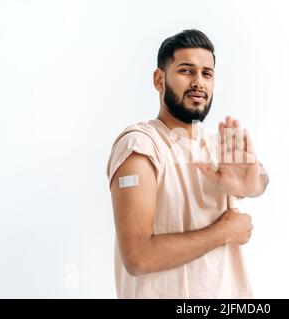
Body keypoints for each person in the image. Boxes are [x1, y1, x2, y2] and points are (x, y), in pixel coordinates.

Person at [106, 29, 269, 298]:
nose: (198, 82)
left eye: (207, 73)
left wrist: (253, 184)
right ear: (159, 80)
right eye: (186, 71)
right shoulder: (140, 146)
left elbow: (259, 180)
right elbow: (138, 257)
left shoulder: (217, 145)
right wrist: (226, 231)